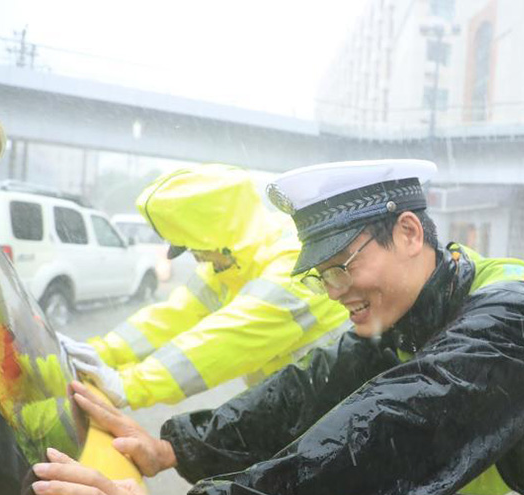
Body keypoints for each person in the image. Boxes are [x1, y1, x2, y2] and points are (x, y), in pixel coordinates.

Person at [34, 159, 524, 495]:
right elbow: (307, 391)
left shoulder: (511, 319)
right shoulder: (408, 313)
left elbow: (380, 437)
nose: (336, 290)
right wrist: (173, 446)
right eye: (324, 275)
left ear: (410, 233)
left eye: (345, 265)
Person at [59, 164, 352, 409]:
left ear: (220, 238)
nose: (195, 257)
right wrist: (101, 352)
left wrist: (130, 385)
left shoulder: (293, 260)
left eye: (196, 248)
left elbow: (230, 338)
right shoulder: (228, 262)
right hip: (295, 406)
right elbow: (173, 316)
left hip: (339, 408)